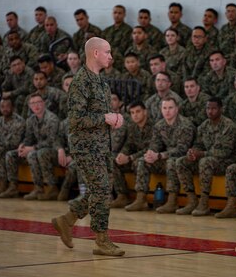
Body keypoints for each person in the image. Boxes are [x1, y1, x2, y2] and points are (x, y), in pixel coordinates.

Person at [52, 37, 125, 256]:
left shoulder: (101, 82)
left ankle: (66, 220)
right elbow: (76, 120)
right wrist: (105, 117)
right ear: (95, 53)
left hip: (102, 145)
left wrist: (113, 120)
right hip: (86, 147)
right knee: (102, 190)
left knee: (99, 189)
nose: (111, 57)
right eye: (108, 52)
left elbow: (99, 117)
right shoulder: (80, 82)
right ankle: (101, 241)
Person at [125, 97, 195, 212]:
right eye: (164, 108)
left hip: (182, 159)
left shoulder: (185, 125)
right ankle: (141, 199)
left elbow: (181, 150)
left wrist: (160, 155)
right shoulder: (159, 125)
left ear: (176, 109)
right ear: (161, 110)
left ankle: (172, 201)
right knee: (143, 161)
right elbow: (154, 145)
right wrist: (151, 154)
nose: (167, 111)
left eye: (170, 108)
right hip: (165, 158)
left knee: (172, 162)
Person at [176, 97, 236, 216]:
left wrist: (202, 154)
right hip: (210, 160)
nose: (210, 111)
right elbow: (198, 144)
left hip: (227, 161)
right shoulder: (204, 126)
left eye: (214, 108)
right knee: (181, 162)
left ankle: (204, 203)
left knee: (206, 161)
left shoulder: (228, 126)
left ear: (221, 109)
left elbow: (225, 152)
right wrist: (193, 152)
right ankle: (192, 201)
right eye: (208, 108)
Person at [112, 100, 154, 208]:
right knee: (112, 160)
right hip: (134, 158)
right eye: (132, 113)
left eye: (138, 111)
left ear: (145, 112)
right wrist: (122, 154)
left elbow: (149, 149)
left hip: (152, 159)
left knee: (139, 162)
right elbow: (128, 145)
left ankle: (141, 199)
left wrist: (130, 158)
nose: (135, 115)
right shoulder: (132, 127)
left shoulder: (154, 126)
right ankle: (122, 196)